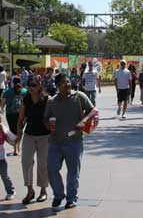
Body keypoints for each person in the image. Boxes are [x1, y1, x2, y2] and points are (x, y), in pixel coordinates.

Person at [44, 73, 97, 209]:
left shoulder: (79, 96)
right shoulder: (52, 101)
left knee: (73, 172)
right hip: (55, 141)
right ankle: (58, 195)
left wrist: (83, 121)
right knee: (51, 169)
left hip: (74, 141)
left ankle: (71, 198)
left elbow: (93, 110)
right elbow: (46, 119)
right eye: (63, 83)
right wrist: (48, 125)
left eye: (68, 82)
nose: (67, 84)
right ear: (57, 85)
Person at [16, 76, 50, 204]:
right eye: (29, 84)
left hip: (45, 136)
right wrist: (19, 132)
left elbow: (53, 117)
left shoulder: (47, 100)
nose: (30, 87)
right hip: (29, 134)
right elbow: (20, 118)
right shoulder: (26, 100)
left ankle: (43, 191)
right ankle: (30, 191)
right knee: (26, 162)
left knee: (43, 164)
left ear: (40, 86)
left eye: (34, 85)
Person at [1, 78, 27, 156]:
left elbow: (2, 103)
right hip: (22, 114)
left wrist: (2, 110)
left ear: (13, 82)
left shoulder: (7, 91)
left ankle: (15, 148)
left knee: (13, 131)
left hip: (10, 114)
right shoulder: (25, 91)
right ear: (20, 82)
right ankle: (18, 146)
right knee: (20, 130)